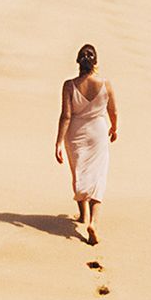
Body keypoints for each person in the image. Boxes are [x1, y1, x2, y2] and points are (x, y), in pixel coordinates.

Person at [54, 43, 117, 245]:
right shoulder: (105, 84)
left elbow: (66, 116)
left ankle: (83, 215)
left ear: (79, 62)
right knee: (98, 177)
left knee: (80, 173)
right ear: (95, 62)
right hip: (98, 132)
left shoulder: (69, 85)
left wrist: (58, 143)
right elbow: (113, 111)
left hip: (75, 134)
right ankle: (93, 223)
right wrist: (114, 128)